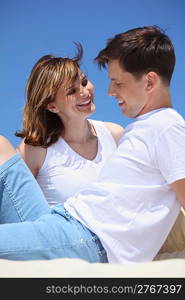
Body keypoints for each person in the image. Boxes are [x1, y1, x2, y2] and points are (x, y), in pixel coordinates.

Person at [0, 25, 185, 264]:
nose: (108, 91)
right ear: (52, 106)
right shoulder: (143, 128)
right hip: (68, 224)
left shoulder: (166, 128)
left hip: (85, 237)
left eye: (118, 83)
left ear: (149, 82)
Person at [16, 46, 124, 206]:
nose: (85, 92)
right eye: (72, 91)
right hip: (64, 231)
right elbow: (14, 206)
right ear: (52, 106)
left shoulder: (115, 134)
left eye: (84, 82)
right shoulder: (35, 149)